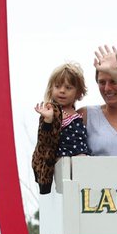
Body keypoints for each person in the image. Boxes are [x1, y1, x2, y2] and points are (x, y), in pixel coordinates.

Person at [32, 62, 91, 193]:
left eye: (68, 87)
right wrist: (48, 120)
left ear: (78, 93)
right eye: (57, 86)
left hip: (80, 163)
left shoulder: (77, 113)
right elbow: (45, 139)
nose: (62, 91)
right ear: (51, 89)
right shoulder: (53, 111)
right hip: (63, 162)